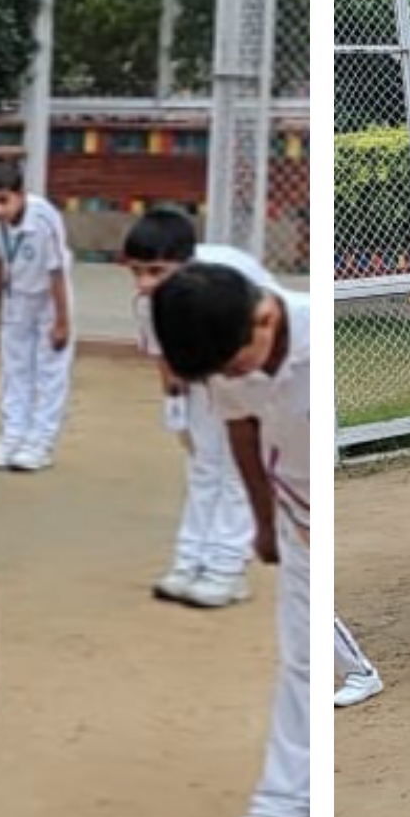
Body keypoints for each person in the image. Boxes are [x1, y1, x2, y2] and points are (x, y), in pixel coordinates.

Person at [150, 250, 324, 817]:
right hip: (298, 523)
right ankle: (282, 809)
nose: (229, 376)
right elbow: (243, 430)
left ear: (264, 319)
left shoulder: (320, 344)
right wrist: (262, 522)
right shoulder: (226, 356)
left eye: (232, 364)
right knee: (302, 666)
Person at [121, 209, 257, 608]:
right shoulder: (148, 303)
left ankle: (227, 568)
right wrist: (177, 409)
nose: (144, 283)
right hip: (202, 379)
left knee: (237, 470)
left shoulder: (229, 276)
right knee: (203, 466)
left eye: (156, 271)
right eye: (136, 271)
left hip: (248, 376)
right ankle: (189, 561)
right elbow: (164, 359)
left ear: (187, 261)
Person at [0, 157, 76, 472]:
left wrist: (62, 321)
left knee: (49, 370)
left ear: (20, 194)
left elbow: (57, 270)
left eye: (3, 200)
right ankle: (12, 437)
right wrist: (0, 312)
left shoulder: (44, 218)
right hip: (15, 296)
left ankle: (40, 443)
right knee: (14, 368)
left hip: (49, 296)